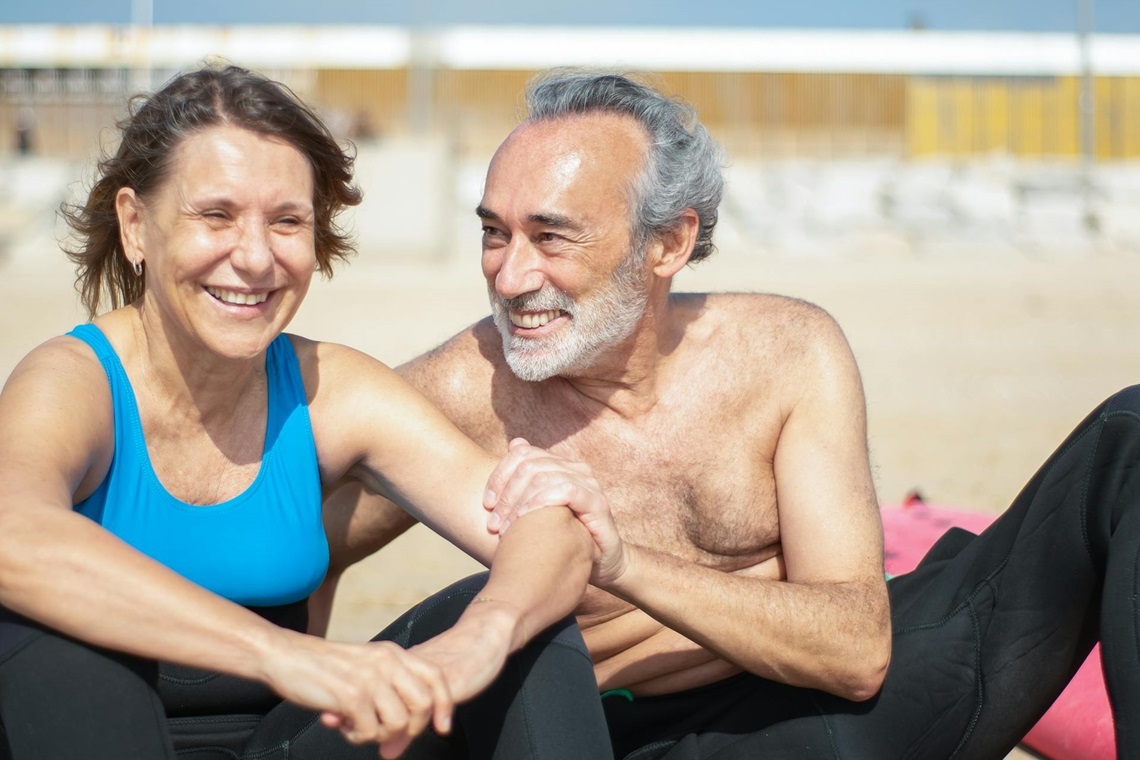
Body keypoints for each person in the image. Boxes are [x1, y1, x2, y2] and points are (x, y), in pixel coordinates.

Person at [318, 68, 1140, 758]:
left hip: (828, 704)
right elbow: (295, 541)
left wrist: (621, 563)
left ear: (668, 244)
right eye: (494, 234)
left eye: (551, 237)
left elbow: (856, 649)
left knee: (1128, 436)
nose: (508, 276)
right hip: (624, 736)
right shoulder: (461, 391)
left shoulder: (785, 350)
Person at [0, 64, 615, 760]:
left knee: (529, 635)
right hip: (84, 731)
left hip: (272, 743)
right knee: (59, 645)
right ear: (136, 225)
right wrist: (276, 652)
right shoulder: (74, 381)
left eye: (287, 222)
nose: (255, 257)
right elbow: (14, 536)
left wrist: (485, 635)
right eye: (216, 215)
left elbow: (550, 530)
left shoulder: (327, 389)